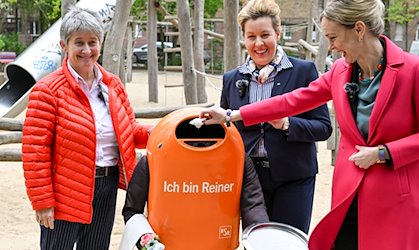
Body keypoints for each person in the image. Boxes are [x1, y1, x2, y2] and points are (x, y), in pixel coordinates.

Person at [200, 0, 419, 249]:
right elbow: (290, 101)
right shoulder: (340, 70)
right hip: (348, 191)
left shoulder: (417, 69)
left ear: (359, 29)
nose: (331, 46)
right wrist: (231, 115)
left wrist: (383, 153)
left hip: (395, 194)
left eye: (333, 36)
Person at [21, 6, 152, 250]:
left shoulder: (113, 85)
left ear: (100, 44)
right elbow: (34, 152)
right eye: (78, 42)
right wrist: (42, 201)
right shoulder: (48, 91)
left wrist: (160, 131)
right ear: (64, 46)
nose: (87, 50)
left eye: (92, 42)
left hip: (107, 185)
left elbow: (129, 130)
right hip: (65, 192)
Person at [219, 0, 332, 234]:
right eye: (251, 37)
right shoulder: (231, 78)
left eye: (265, 35)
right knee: (256, 241)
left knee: (289, 242)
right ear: (244, 39)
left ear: (278, 33)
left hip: (295, 177)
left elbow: (323, 128)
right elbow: (227, 133)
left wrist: (287, 124)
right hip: (250, 179)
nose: (258, 43)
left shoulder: (304, 71)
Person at [121, 154, 269, 249]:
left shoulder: (237, 160)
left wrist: (261, 240)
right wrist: (148, 243)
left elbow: (253, 206)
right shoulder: (154, 160)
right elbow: (132, 211)